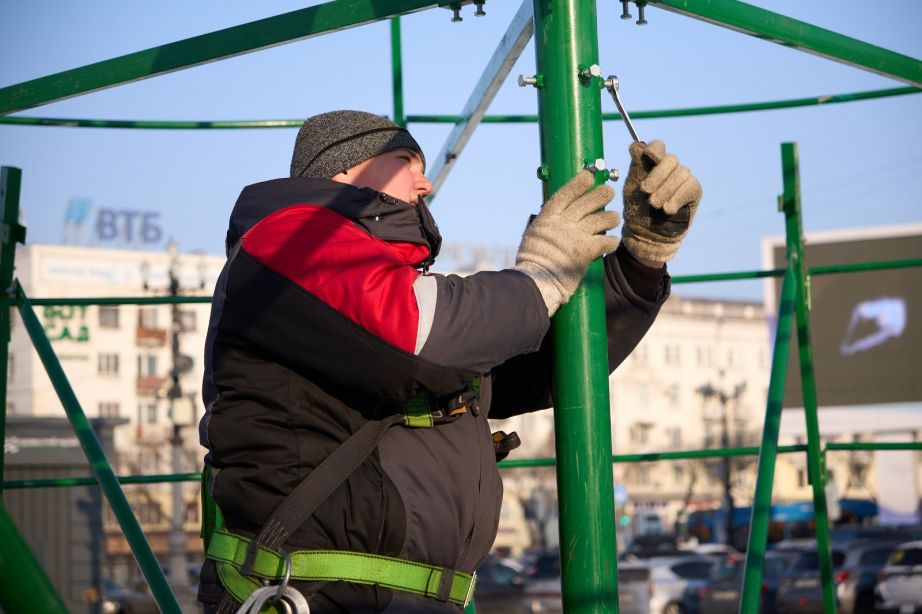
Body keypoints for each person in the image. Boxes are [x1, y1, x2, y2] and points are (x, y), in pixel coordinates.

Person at [197, 110, 701, 613]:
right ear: (341, 171)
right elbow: (418, 337)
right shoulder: (290, 238)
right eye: (404, 161)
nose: (426, 180)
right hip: (315, 593)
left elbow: (533, 365)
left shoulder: (379, 286)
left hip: (388, 596)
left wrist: (640, 262)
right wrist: (542, 273)